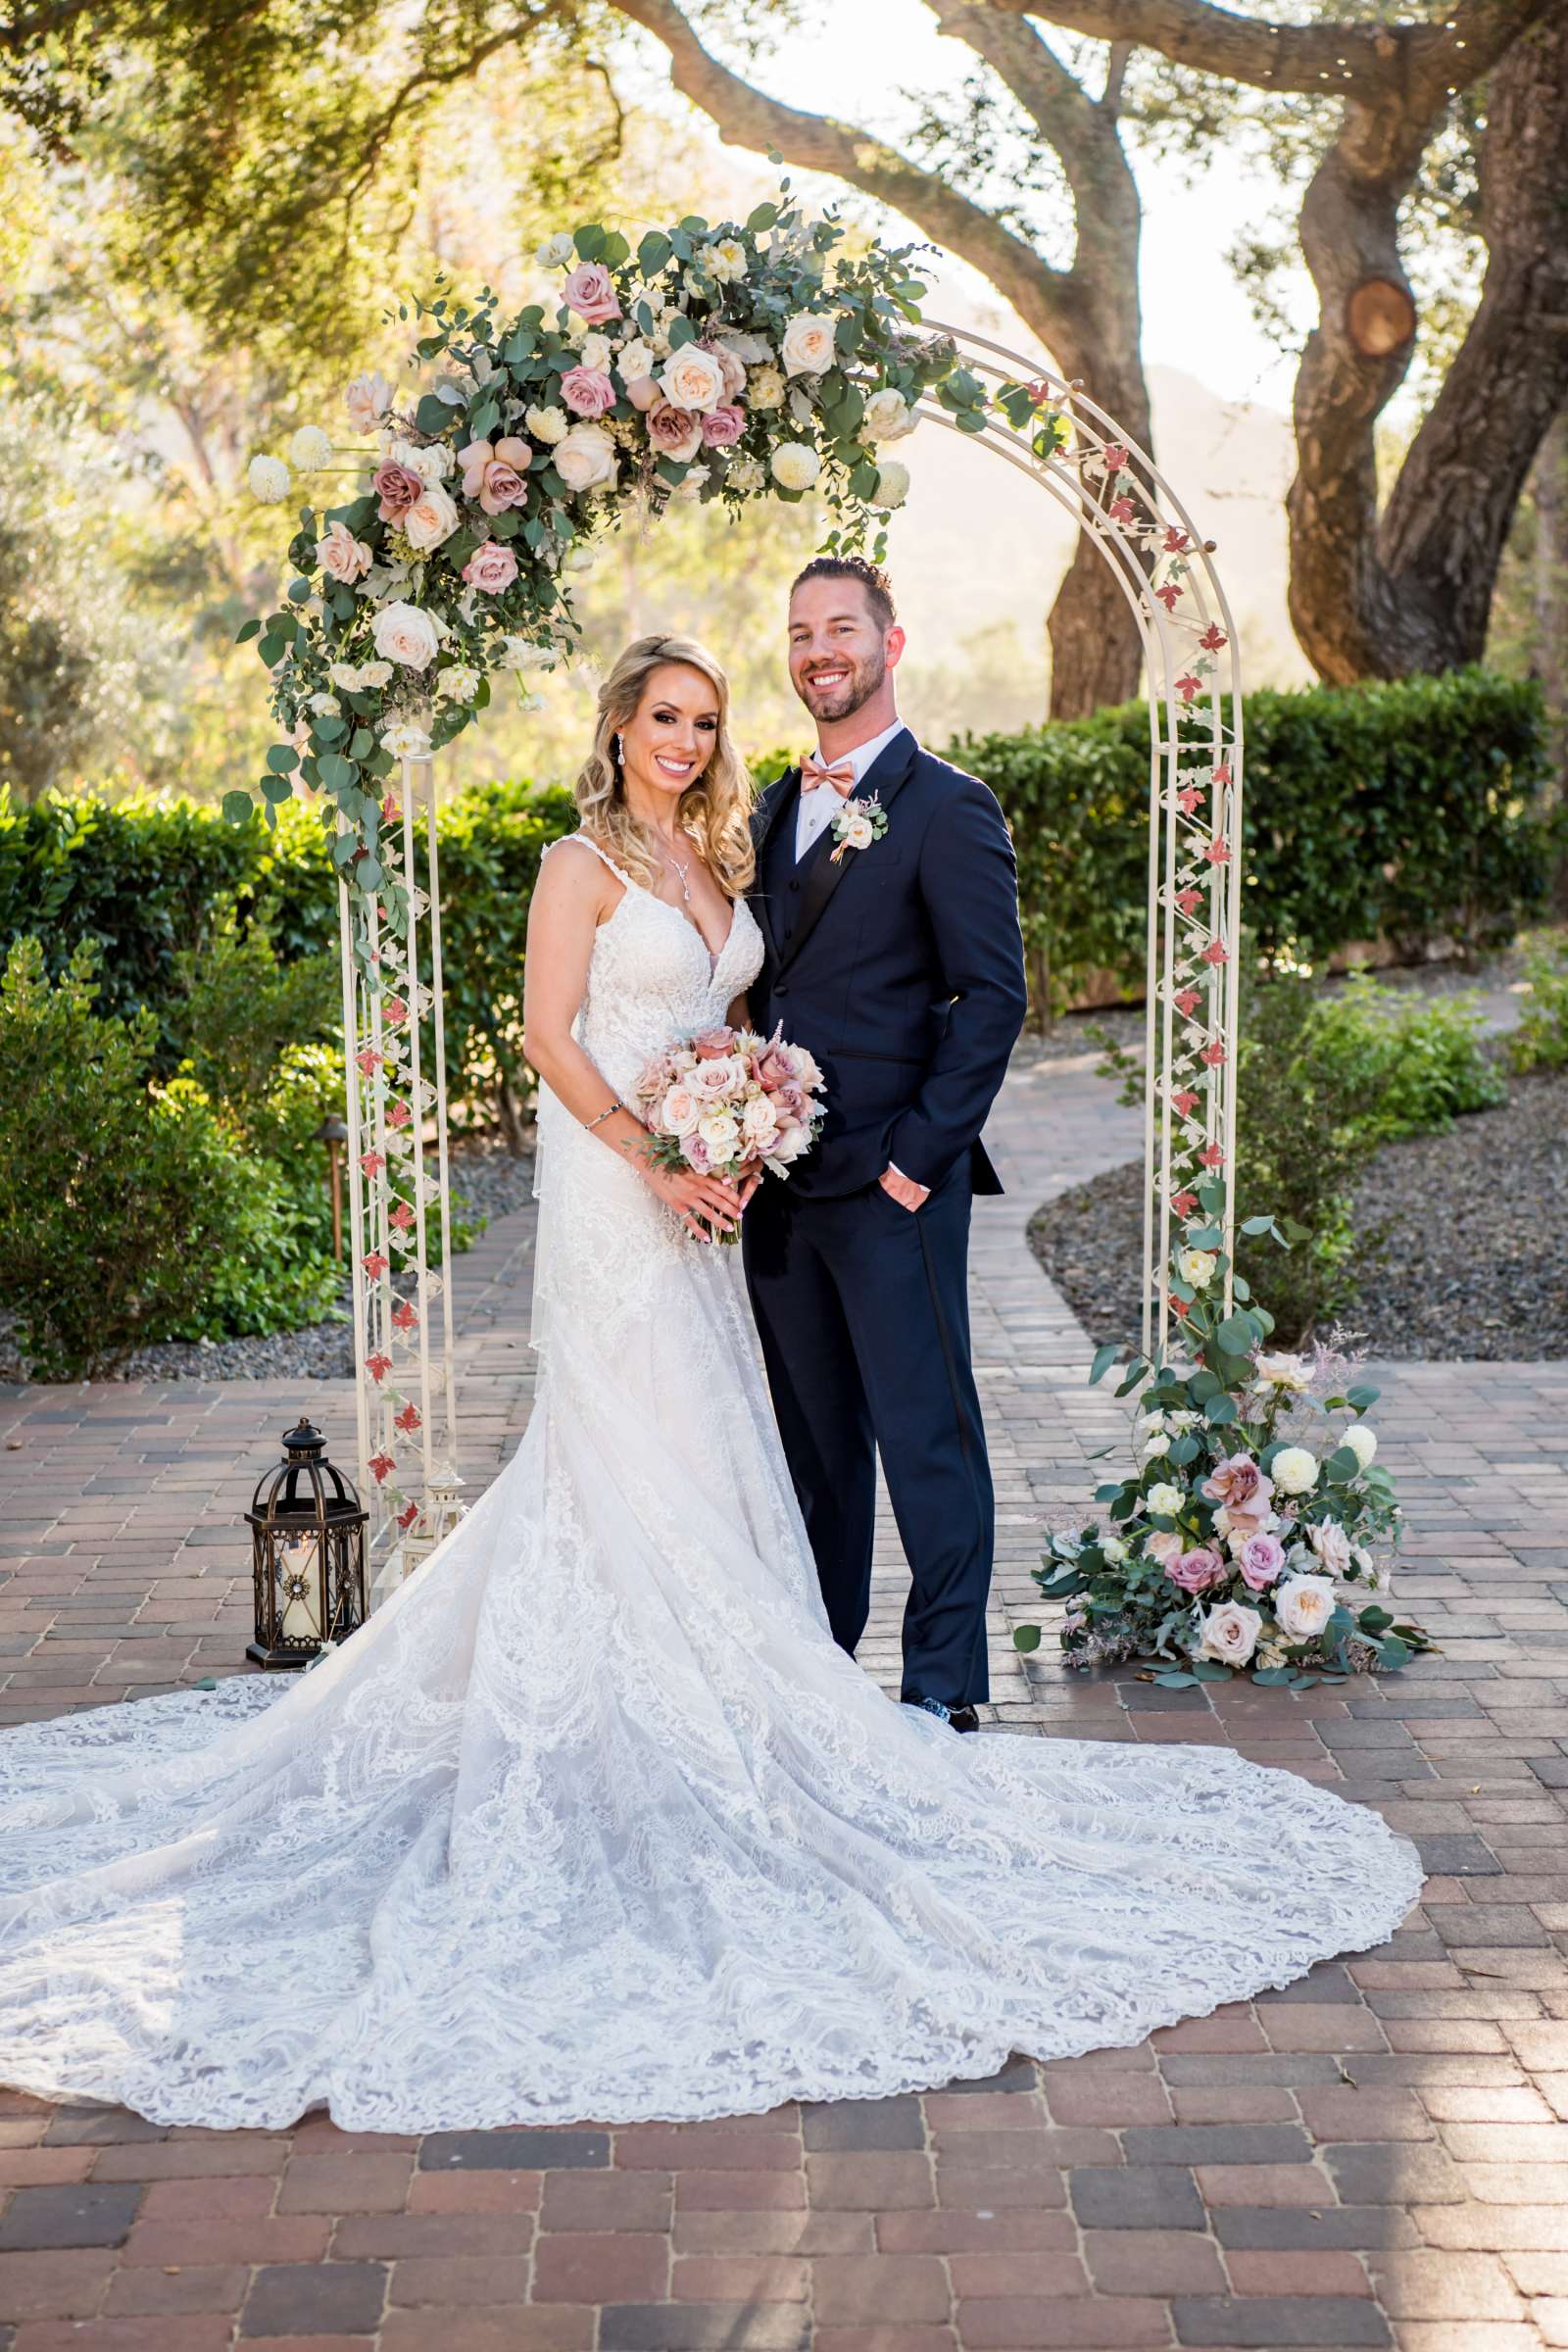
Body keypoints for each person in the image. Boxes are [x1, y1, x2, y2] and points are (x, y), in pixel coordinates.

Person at [0, 631, 1421, 2136]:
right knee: (623, 1445)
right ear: (615, 725)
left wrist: (746, 1119)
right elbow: (549, 1036)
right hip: (623, 1198)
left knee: (720, 1444)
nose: (684, 739)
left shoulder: (728, 853)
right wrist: (660, 1156)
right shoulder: (574, 861)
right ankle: (612, 1725)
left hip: (712, 1198)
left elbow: (747, 1019)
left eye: (703, 719)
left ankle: (748, 1702)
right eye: (662, 717)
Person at [744, 555, 1027, 1731]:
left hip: (894, 1186)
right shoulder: (768, 803)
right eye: (803, 631)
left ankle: (943, 1686)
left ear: (890, 645)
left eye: (843, 628)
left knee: (925, 1436)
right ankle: (823, 1671)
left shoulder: (947, 804)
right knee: (813, 1449)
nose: (821, 650)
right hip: (778, 1184)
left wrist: (918, 1158)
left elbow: (993, 996)